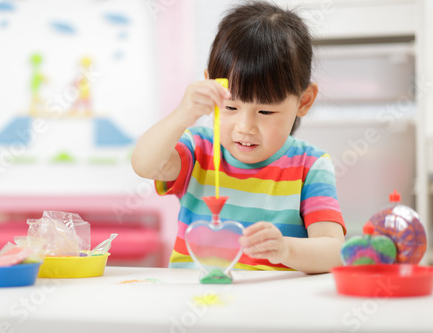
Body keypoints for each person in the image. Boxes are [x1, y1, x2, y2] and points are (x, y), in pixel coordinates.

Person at [131, 1, 346, 274]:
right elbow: (144, 164)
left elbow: (334, 252)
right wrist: (182, 115)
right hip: (195, 305)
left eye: (265, 111)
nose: (245, 126)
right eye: (231, 107)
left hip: (271, 311)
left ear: (304, 101)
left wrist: (286, 249)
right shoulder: (199, 150)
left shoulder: (311, 167)